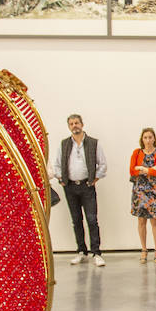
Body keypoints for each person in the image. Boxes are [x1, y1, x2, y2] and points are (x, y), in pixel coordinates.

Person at [51, 113, 108, 267]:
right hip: (69, 187)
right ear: (69, 126)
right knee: (76, 220)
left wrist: (95, 178)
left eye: (77, 123)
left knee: (91, 219)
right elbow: (56, 164)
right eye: (71, 124)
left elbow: (102, 164)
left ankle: (96, 253)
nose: (74, 125)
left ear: (82, 124)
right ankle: (81, 252)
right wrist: (60, 178)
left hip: (87, 186)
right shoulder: (64, 144)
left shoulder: (93, 143)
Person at [129, 127, 156, 262]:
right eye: (145, 137)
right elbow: (132, 171)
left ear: (154, 139)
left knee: (155, 220)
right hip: (139, 191)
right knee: (141, 221)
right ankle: (144, 249)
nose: (148, 140)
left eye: (150, 137)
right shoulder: (136, 152)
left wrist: (142, 169)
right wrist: (149, 169)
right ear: (142, 139)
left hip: (154, 191)